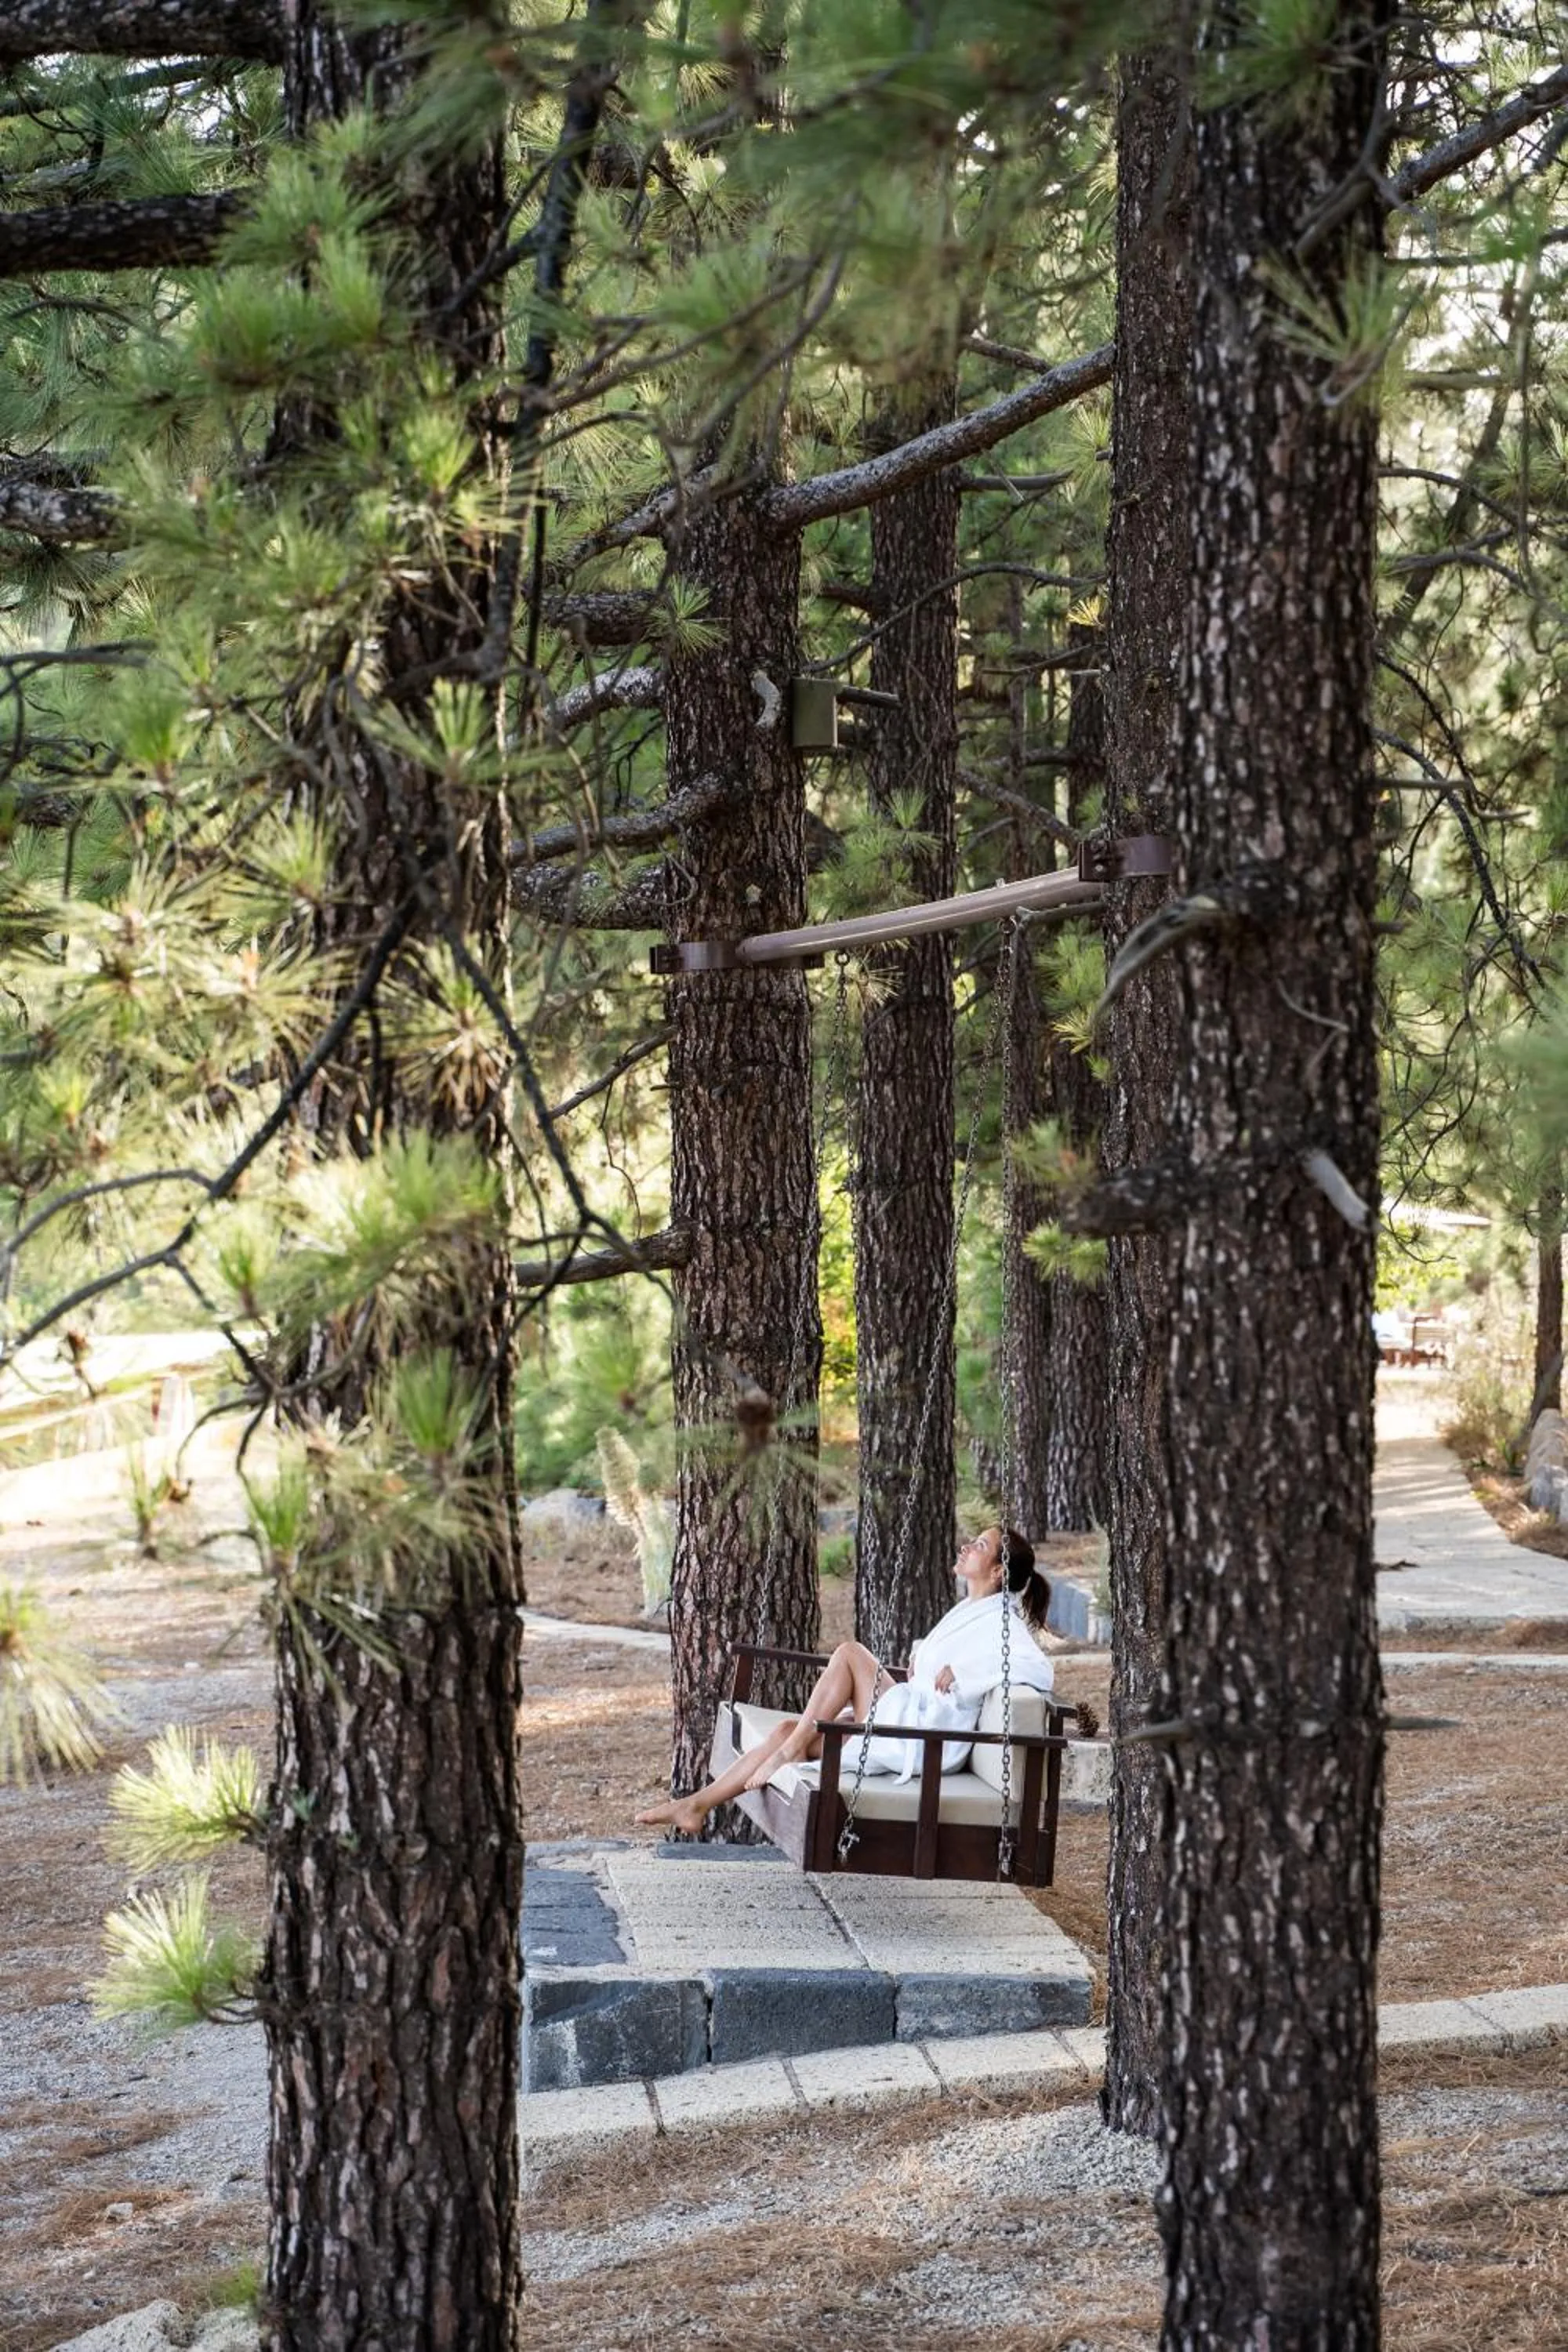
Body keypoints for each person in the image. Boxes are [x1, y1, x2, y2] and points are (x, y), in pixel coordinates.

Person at [635, 1525, 1054, 1838]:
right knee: (786, 1729)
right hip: (914, 1721)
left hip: (928, 1741)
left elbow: (1039, 1670)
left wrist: (966, 1676)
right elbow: (940, 1671)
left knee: (850, 1654)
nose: (967, 1546)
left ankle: (790, 1749)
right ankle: (695, 1805)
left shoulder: (1003, 1620)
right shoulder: (972, 1608)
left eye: (980, 1546)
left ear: (999, 1571)